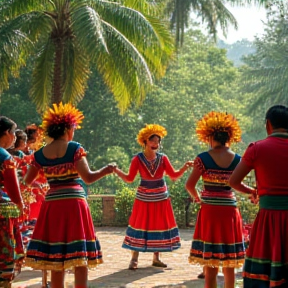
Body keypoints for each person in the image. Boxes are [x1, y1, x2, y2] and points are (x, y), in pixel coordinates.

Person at [24, 103, 115, 288]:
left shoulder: (40, 154)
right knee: (79, 256)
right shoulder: (74, 148)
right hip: (74, 203)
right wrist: (106, 170)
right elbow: (88, 178)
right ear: (67, 128)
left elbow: (27, 180)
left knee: (56, 259)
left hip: (53, 204)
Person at [113, 124, 193, 270]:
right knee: (139, 224)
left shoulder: (163, 159)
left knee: (159, 226)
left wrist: (185, 167)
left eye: (157, 142)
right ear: (145, 141)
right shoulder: (137, 159)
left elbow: (174, 175)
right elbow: (130, 178)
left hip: (161, 198)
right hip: (143, 198)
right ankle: (134, 259)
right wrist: (116, 171)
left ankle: (156, 258)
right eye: (153, 141)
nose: (156, 144)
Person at [229, 104, 288, 288]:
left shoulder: (257, 148)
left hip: (268, 219)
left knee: (263, 272)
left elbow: (234, 181)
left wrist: (253, 192)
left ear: (268, 125)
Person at [186, 111, 245, 288]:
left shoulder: (202, 158)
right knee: (230, 262)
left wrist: (198, 198)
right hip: (230, 211)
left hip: (210, 210)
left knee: (210, 265)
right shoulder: (238, 160)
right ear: (229, 137)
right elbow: (238, 185)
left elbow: (190, 185)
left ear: (210, 137)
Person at [0, 116, 25, 288]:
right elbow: (13, 188)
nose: (14, 138)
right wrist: (20, 205)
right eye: (13, 134)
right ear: (6, 133)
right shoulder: (5, 157)